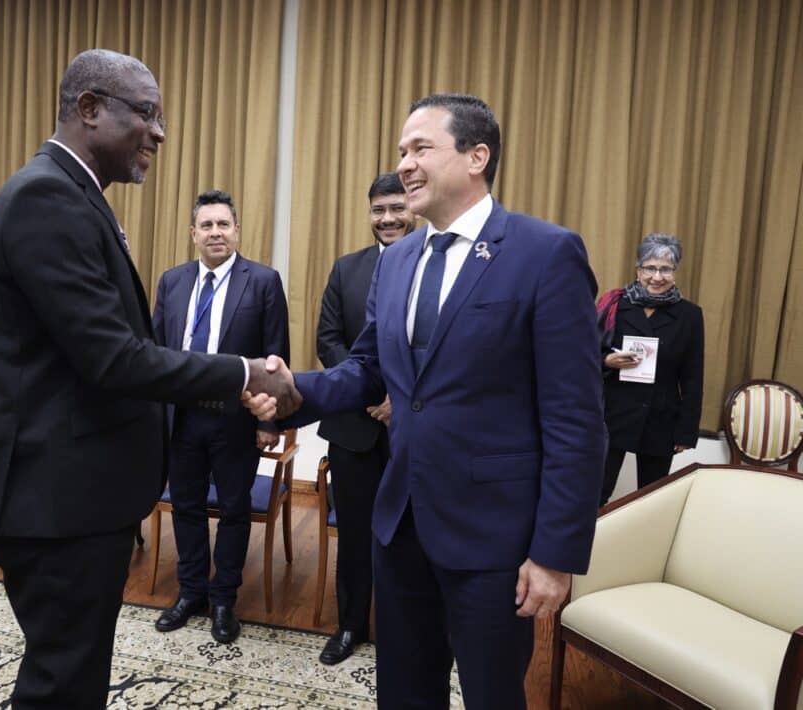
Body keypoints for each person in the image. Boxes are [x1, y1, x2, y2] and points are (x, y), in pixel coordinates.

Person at [246, 94, 606, 709]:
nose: (405, 165)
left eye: (420, 149)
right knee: (406, 693)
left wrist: (554, 553)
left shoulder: (545, 254)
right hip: (402, 522)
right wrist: (292, 392)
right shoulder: (401, 259)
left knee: (493, 695)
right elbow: (367, 368)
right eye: (401, 152)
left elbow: (576, 418)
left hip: (494, 537)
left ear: (476, 157)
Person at [0, 50, 293, 709]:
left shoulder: (73, 194)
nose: (160, 132)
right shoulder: (45, 198)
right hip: (56, 502)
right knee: (62, 683)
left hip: (78, 497)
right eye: (146, 113)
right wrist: (243, 372)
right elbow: (114, 358)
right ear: (90, 109)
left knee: (77, 673)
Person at [151, 189, 290, 643]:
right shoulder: (171, 282)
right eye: (206, 225)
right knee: (186, 506)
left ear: (237, 231)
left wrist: (270, 423)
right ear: (193, 234)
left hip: (236, 420)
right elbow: (154, 353)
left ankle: (224, 599)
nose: (215, 232)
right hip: (181, 419)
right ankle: (191, 592)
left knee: (233, 510)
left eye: (223, 224)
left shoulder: (263, 281)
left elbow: (275, 356)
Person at [313, 172, 415, 664]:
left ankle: (407, 634)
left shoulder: (437, 267)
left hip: (415, 433)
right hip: (354, 429)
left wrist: (400, 398)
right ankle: (351, 625)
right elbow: (328, 340)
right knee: (354, 536)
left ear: (413, 207)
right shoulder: (346, 268)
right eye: (379, 210)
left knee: (411, 538)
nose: (388, 218)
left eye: (397, 207)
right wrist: (371, 394)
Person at [596, 233, 704, 505]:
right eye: (650, 268)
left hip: (661, 418)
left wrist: (686, 430)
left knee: (651, 499)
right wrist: (606, 361)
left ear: (675, 272)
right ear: (638, 269)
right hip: (612, 413)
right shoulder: (614, 304)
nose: (657, 277)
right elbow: (582, 353)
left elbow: (693, 376)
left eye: (665, 269)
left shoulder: (690, 315)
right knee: (596, 493)